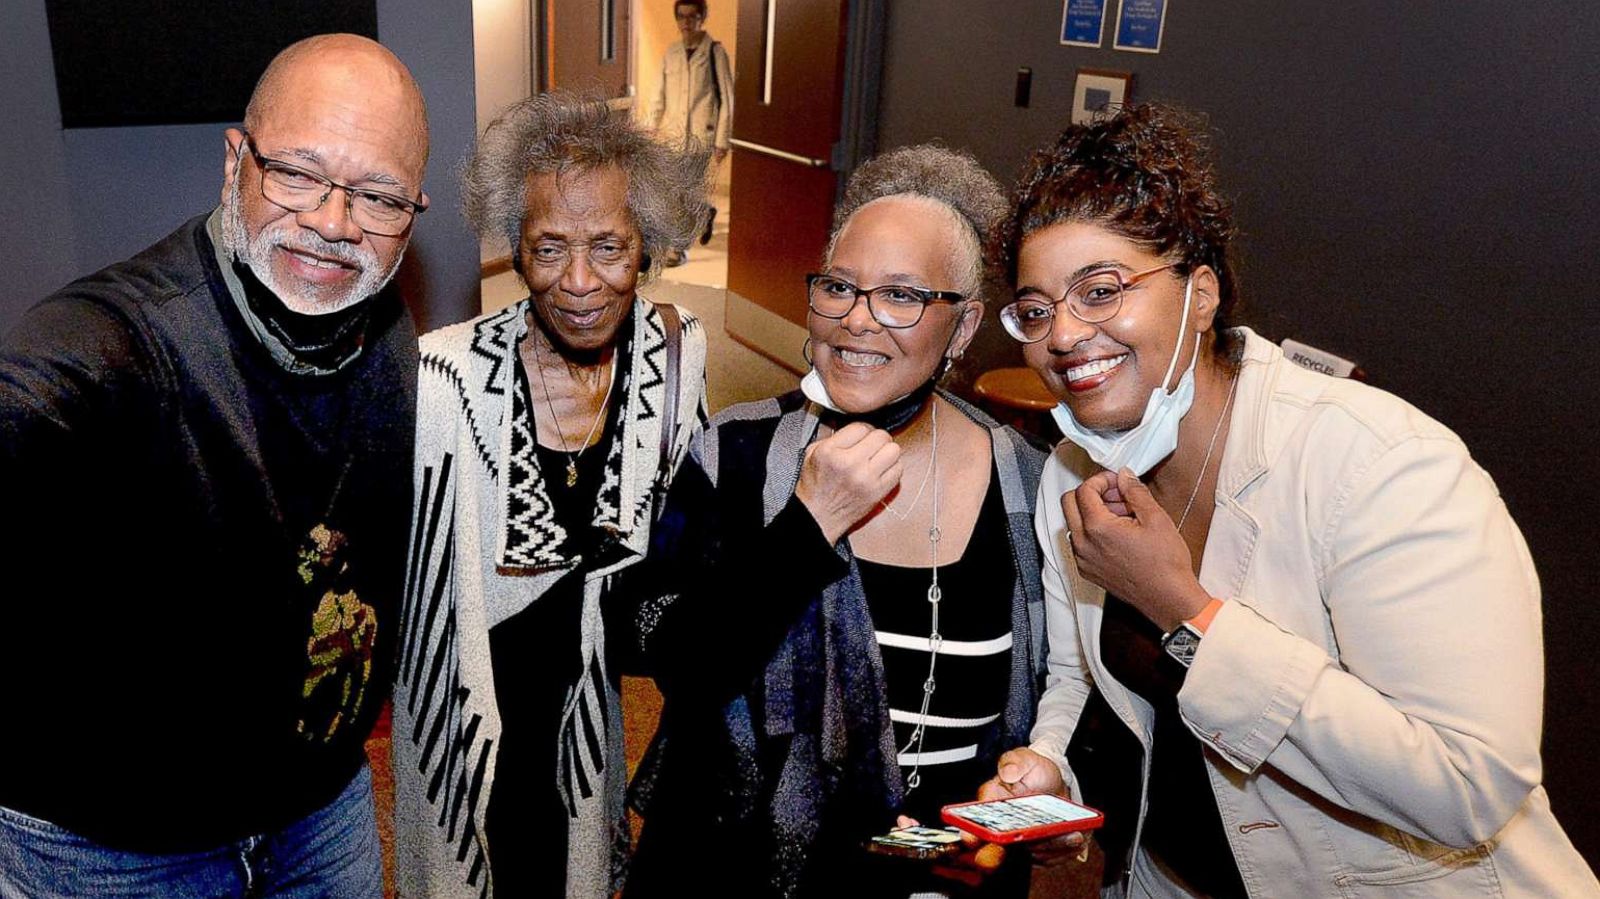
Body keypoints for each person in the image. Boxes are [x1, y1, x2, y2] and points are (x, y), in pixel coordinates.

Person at [980, 104, 1599, 897]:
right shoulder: (1075, 472)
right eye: (1037, 310)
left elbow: (1469, 787)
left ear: (1200, 295)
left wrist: (1183, 609)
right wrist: (1051, 764)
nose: (1063, 335)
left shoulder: (1377, 464)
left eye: (1100, 291)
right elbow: (1075, 674)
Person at [0, 34, 429, 897]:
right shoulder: (112, 345)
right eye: (299, 173)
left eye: (377, 196)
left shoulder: (385, 336)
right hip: (113, 851)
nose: (334, 223)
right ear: (235, 161)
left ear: (411, 214)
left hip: (321, 809)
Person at [622, 145, 1046, 899]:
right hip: (744, 872)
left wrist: (1013, 797)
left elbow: (1063, 700)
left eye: (902, 296)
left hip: (951, 873)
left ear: (963, 325)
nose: (857, 319)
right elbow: (664, 652)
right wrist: (805, 527)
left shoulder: (1023, 480)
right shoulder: (736, 450)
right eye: (840, 287)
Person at [392, 93, 709, 899]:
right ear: (513, 247)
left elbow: (690, 548)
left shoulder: (678, 357)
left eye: (608, 246)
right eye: (548, 247)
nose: (578, 281)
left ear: (648, 246)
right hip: (474, 706)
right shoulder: (445, 377)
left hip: (592, 714)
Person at [649, 0, 733, 246]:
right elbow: (658, 96)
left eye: (692, 17)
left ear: (701, 18)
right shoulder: (671, 53)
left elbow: (728, 99)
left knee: (688, 189)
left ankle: (680, 248)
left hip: (701, 136)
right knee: (677, 191)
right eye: (681, 17)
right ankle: (705, 211)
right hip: (672, 135)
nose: (686, 23)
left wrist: (721, 141)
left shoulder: (715, 52)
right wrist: (651, 129)